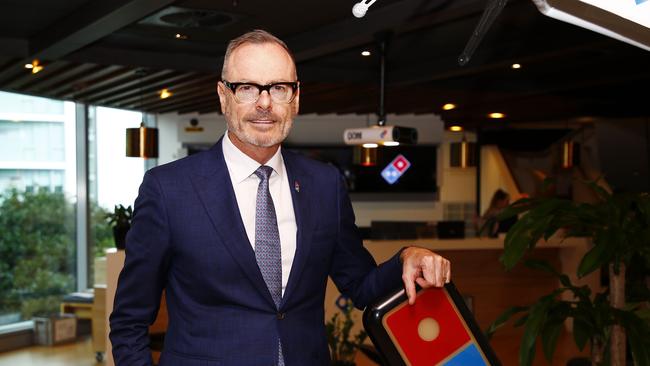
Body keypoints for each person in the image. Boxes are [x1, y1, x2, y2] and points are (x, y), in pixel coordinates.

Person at [109, 29, 451, 366]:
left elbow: (361, 285)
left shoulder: (324, 184)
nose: (264, 102)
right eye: (246, 88)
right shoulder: (169, 190)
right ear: (223, 95)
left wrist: (409, 256)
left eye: (279, 88)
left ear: (296, 97)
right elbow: (129, 321)